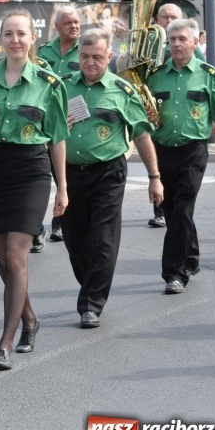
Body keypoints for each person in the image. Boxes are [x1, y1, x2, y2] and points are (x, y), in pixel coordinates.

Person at [0, 9, 69, 371]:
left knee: (18, 255)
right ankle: (32, 319)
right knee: (5, 261)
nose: (15, 40)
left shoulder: (49, 84)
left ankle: (5, 341)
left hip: (32, 171)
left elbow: (57, 140)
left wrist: (62, 188)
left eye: (21, 33)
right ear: (1, 38)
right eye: (9, 34)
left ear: (32, 37)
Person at [60, 28, 163, 328]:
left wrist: (154, 177)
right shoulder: (62, 87)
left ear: (109, 56)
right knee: (75, 240)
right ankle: (91, 284)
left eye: (97, 57)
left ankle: (91, 304)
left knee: (103, 240)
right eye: (84, 57)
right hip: (69, 174)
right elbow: (46, 130)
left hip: (108, 172)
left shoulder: (123, 90)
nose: (90, 62)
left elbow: (142, 136)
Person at [147, 18, 215, 295]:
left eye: (181, 39)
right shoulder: (155, 75)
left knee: (183, 207)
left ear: (194, 42)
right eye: (172, 40)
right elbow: (144, 112)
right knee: (172, 210)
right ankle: (191, 257)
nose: (175, 44)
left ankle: (174, 272)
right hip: (161, 151)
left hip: (193, 152)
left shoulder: (209, 76)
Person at [146, 3, 206, 229]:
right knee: (175, 205)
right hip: (160, 129)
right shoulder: (151, 44)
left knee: (181, 209)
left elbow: (202, 77)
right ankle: (189, 259)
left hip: (190, 139)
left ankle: (173, 264)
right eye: (165, 17)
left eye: (174, 17)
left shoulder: (191, 46)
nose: (169, 20)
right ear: (157, 19)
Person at [36, 5, 81, 245]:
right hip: (46, 121)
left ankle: (60, 222)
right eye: (68, 23)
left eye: (76, 22)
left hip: (76, 119)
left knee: (66, 177)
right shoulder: (43, 52)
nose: (74, 26)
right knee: (42, 176)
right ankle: (34, 228)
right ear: (57, 26)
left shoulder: (85, 50)